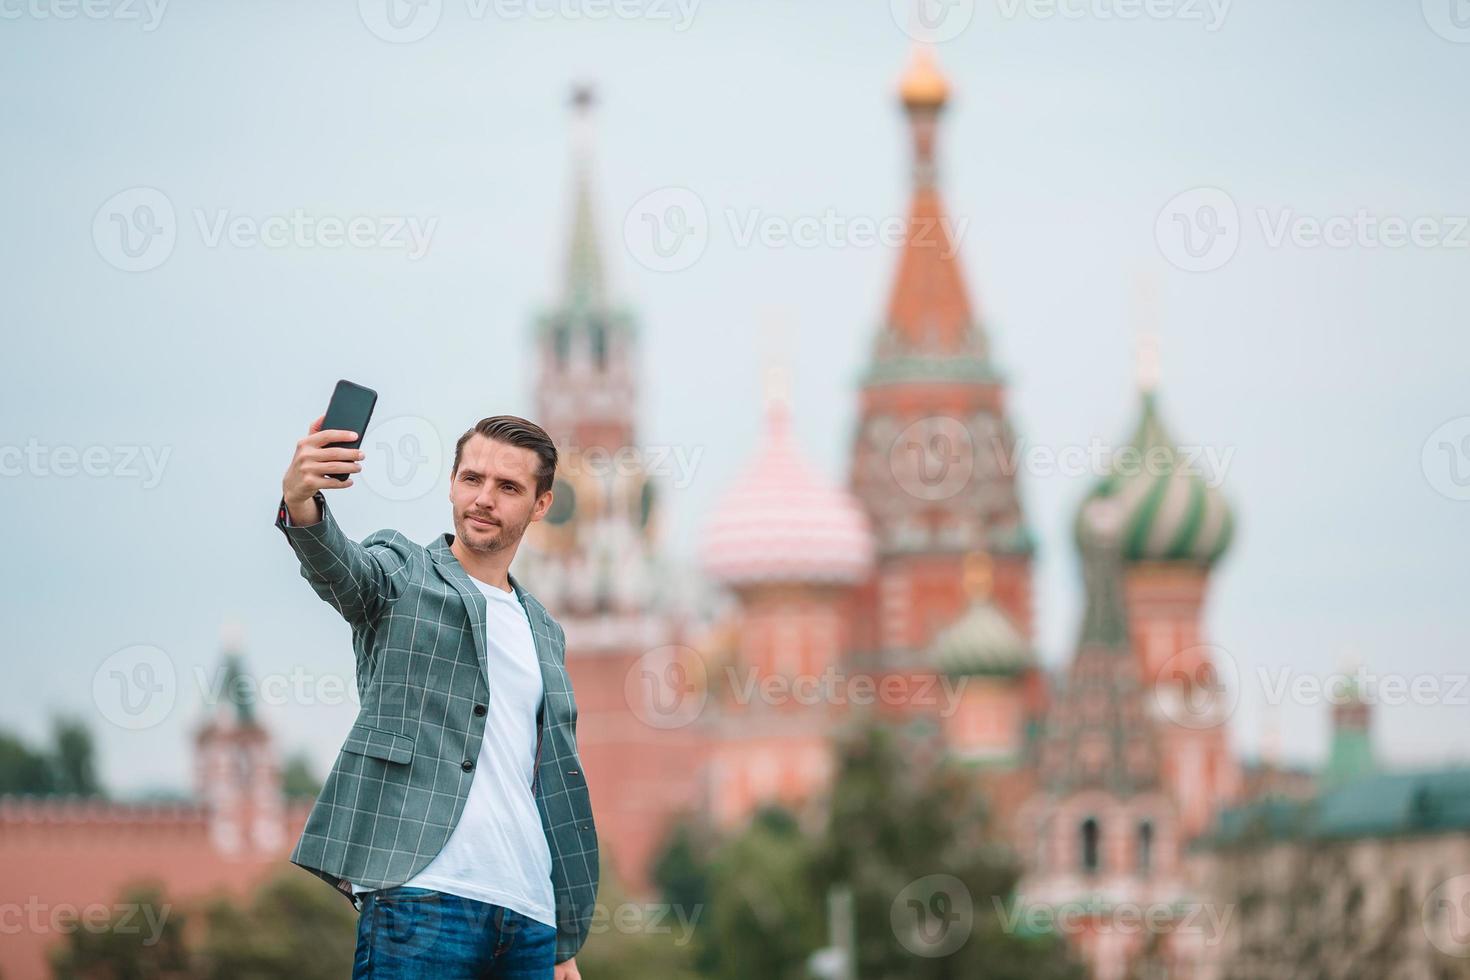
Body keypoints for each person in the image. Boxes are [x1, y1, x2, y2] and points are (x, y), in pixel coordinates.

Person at [276, 413, 597, 979]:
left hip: (529, 917)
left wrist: (562, 938)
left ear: (541, 505)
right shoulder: (400, 576)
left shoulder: (545, 631)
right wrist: (302, 501)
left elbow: (542, 777)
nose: (484, 499)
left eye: (508, 487)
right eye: (471, 479)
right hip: (420, 901)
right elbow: (339, 570)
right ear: (452, 483)